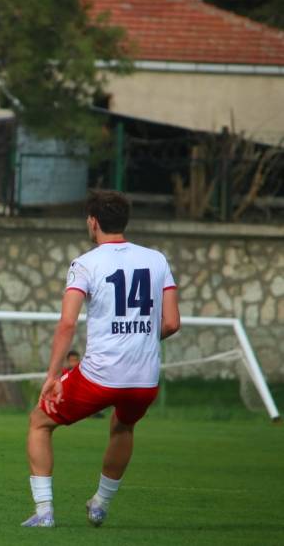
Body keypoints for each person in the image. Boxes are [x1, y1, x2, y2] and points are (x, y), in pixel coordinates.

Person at [22, 190, 180, 528]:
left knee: (39, 422)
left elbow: (67, 322)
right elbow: (171, 323)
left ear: (93, 222)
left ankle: (44, 510)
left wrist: (52, 376)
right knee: (123, 426)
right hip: (144, 379)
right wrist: (139, 341)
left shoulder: (85, 263)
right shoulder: (157, 260)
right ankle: (100, 504)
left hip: (99, 375)